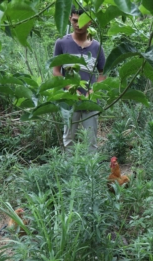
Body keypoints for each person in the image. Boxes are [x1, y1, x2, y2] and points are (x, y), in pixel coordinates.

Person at [52, 7, 106, 153]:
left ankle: (90, 174)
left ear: (89, 22)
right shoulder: (62, 43)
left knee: (91, 141)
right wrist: (71, 90)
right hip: (70, 100)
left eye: (81, 21)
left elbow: (103, 73)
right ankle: (70, 173)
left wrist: (92, 92)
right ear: (70, 19)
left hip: (90, 101)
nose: (78, 24)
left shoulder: (97, 46)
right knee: (68, 140)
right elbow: (56, 71)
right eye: (75, 20)